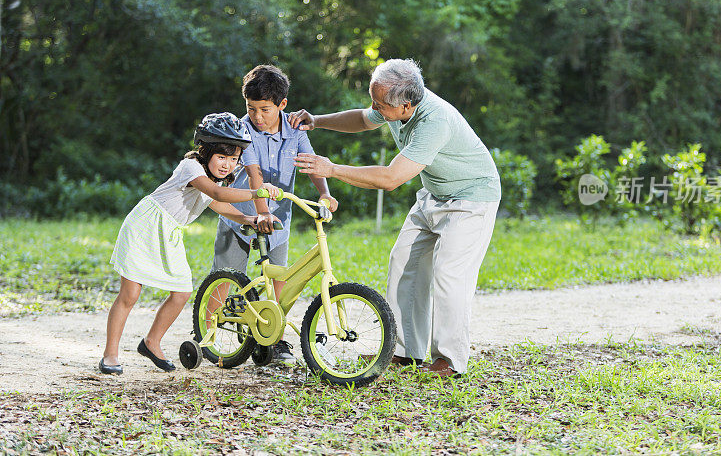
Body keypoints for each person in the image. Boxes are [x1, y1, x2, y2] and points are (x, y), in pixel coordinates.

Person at [288, 58, 500, 378]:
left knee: (449, 276)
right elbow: (362, 119)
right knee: (403, 263)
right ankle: (403, 351)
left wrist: (331, 169)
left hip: (471, 199)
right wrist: (316, 121)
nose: (375, 108)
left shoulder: (435, 120)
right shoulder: (394, 100)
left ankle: (449, 361)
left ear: (407, 105)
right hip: (435, 195)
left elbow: (390, 179)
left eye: (380, 104)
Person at [99, 112, 282, 375]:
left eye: (234, 159)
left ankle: (151, 342)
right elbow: (217, 193)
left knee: (182, 293)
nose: (227, 165)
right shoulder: (192, 168)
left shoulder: (213, 178)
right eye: (222, 156)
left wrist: (248, 217)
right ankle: (110, 354)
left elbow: (216, 202)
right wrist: (257, 191)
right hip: (144, 225)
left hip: (170, 231)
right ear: (205, 150)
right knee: (130, 294)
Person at [211, 64, 337, 364]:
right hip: (240, 215)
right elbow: (254, 175)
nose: (257, 116)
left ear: (282, 105)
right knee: (224, 278)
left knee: (279, 280)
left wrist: (324, 192)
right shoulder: (242, 128)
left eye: (264, 109)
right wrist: (262, 213)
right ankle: (207, 336)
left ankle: (273, 339)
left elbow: (309, 162)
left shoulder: (294, 128)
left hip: (278, 218)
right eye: (251, 108)